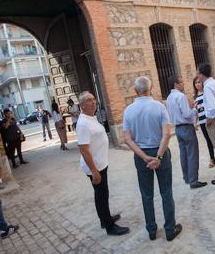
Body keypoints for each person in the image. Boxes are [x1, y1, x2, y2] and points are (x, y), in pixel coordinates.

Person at [123, 76, 182, 241]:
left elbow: (128, 139)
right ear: (151, 88)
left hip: (141, 154)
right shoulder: (159, 107)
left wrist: (145, 157)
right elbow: (167, 134)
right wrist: (158, 157)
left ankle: (151, 230)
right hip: (160, 151)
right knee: (166, 192)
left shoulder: (128, 111)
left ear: (135, 91)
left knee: (146, 195)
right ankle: (170, 229)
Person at [76, 91, 130, 236]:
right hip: (95, 167)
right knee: (101, 195)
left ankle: (104, 219)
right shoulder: (83, 124)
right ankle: (110, 227)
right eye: (88, 100)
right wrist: (94, 171)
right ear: (82, 105)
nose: (93, 102)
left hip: (100, 164)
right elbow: (83, 149)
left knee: (101, 194)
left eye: (94, 99)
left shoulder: (90, 118)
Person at [165, 76, 207, 189]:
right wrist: (194, 108)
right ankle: (194, 180)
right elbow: (187, 114)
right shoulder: (181, 96)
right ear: (176, 84)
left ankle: (187, 178)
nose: (183, 84)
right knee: (192, 153)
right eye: (181, 82)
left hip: (177, 128)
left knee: (183, 154)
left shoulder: (168, 98)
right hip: (186, 127)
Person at [193, 76, 215, 168]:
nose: (198, 84)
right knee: (208, 140)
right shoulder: (194, 96)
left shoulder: (207, 92)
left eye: (199, 82)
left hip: (210, 120)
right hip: (202, 122)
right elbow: (195, 111)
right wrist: (195, 122)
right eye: (196, 83)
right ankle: (212, 159)